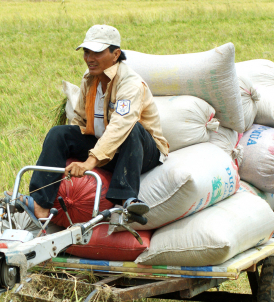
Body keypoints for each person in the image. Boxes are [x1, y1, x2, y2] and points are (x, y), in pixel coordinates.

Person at [15, 24, 169, 222]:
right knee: (59, 133)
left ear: (116, 54)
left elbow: (121, 125)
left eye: (96, 52)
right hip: (103, 144)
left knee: (132, 129)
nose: (89, 58)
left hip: (140, 151)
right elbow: (79, 119)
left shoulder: (130, 83)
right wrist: (72, 147)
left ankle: (126, 200)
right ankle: (41, 203)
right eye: (86, 52)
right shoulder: (89, 79)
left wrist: (90, 161)